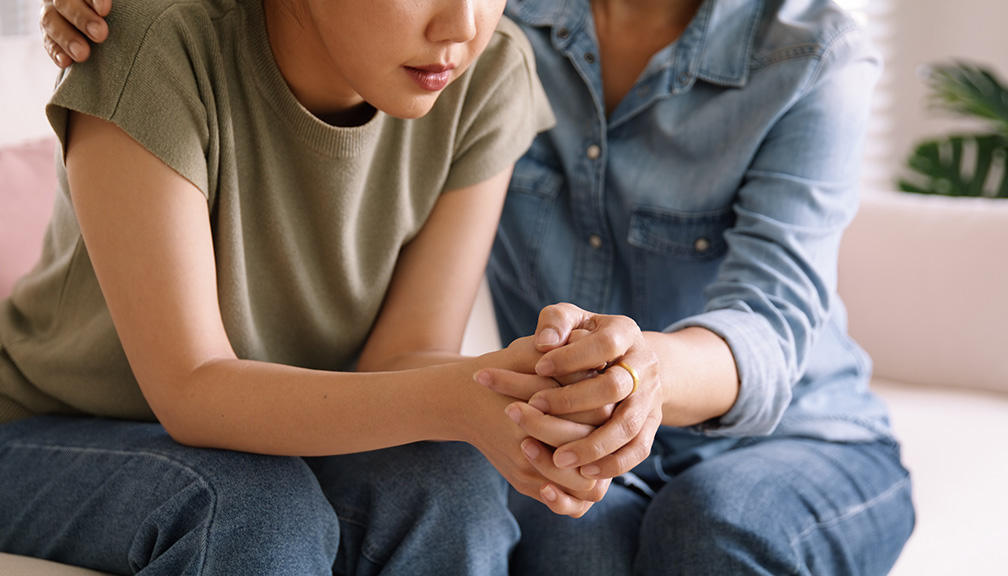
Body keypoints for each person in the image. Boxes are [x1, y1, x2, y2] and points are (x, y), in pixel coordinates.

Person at [40, 0, 918, 574]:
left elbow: (772, 317)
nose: (459, 24)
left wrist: (606, 378)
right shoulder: (505, 32)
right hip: (77, 422)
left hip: (785, 431)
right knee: (536, 538)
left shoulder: (806, 52)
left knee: (704, 530)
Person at [0, 0, 619, 574]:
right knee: (250, 509)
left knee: (451, 486)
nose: (461, 26)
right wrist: (456, 399)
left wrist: (519, 386)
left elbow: (402, 356)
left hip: (289, 438)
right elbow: (191, 389)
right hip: (48, 428)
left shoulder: (488, 73)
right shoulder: (158, 43)